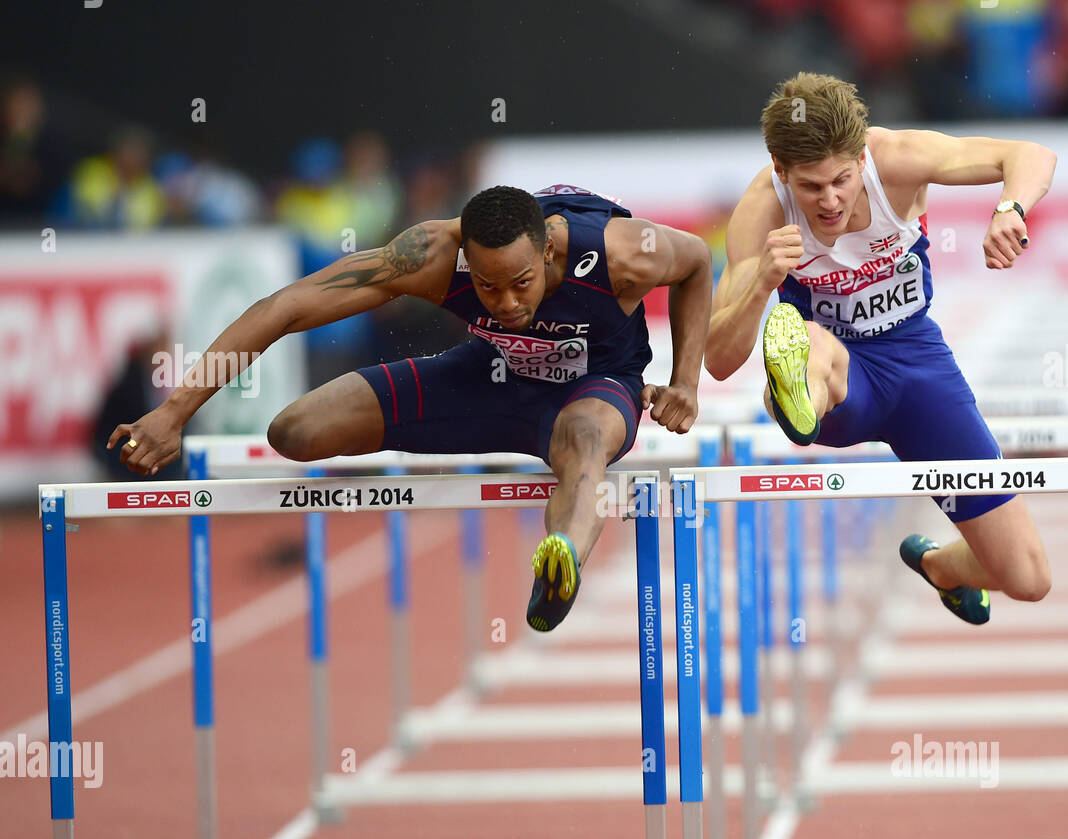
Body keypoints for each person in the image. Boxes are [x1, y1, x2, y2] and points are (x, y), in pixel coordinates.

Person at [106, 184, 711, 632]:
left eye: (521, 282)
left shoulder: (622, 253)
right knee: (295, 430)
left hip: (593, 389)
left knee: (582, 439)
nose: (504, 300)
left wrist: (684, 379)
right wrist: (175, 409)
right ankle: (551, 517)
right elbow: (286, 306)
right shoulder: (428, 254)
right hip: (488, 376)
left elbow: (698, 264)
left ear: (549, 251)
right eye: (486, 285)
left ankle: (560, 565)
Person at [706, 72, 1053, 624]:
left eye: (842, 180)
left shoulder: (895, 157)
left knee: (1029, 579)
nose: (830, 200)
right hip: (842, 377)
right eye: (811, 187)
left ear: (861, 157)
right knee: (811, 343)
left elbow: (1029, 154)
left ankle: (942, 565)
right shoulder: (761, 209)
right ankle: (795, 398)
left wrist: (1010, 209)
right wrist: (760, 284)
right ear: (780, 170)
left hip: (919, 367)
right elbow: (718, 361)